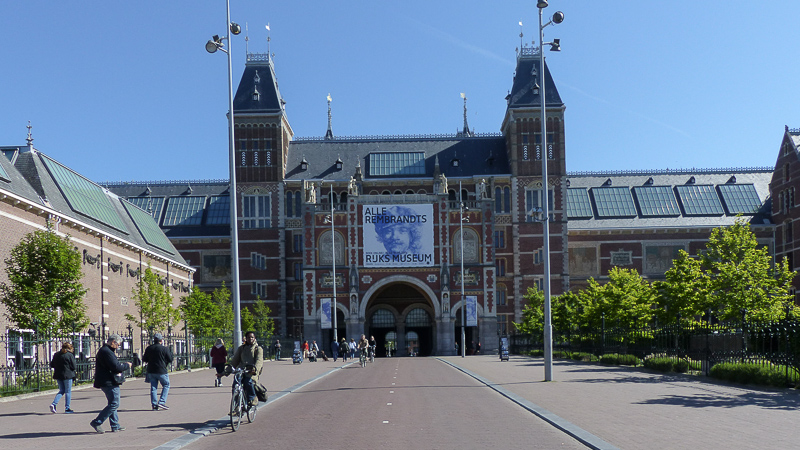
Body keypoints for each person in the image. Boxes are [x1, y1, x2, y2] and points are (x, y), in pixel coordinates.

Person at [90, 334, 132, 434]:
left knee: (112, 403)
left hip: (107, 380)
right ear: (113, 342)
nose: (118, 347)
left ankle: (115, 425)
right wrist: (127, 365)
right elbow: (115, 367)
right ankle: (97, 422)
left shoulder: (106, 351)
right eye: (118, 345)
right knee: (115, 403)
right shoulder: (106, 351)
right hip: (108, 381)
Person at [230, 331, 264, 407]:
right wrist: (225, 371)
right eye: (248, 337)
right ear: (246, 338)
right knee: (235, 384)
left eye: (252, 337)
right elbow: (235, 361)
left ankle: (253, 398)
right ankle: (236, 406)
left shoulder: (258, 349)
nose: (250, 339)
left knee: (248, 382)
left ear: (254, 338)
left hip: (251, 371)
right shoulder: (241, 348)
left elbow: (259, 361)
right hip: (241, 371)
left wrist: (255, 369)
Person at [143, 333, 173, 411]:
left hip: (151, 370)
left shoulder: (149, 348)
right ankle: (162, 402)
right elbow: (170, 359)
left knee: (153, 388)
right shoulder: (164, 349)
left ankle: (154, 404)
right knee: (166, 385)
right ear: (161, 340)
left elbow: (144, 359)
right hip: (161, 370)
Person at [50, 342, 77, 413]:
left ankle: (54, 403)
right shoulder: (69, 355)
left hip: (58, 375)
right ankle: (67, 408)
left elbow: (52, 364)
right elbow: (74, 366)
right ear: (69, 348)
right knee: (68, 391)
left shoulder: (56, 354)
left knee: (61, 390)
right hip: (68, 375)